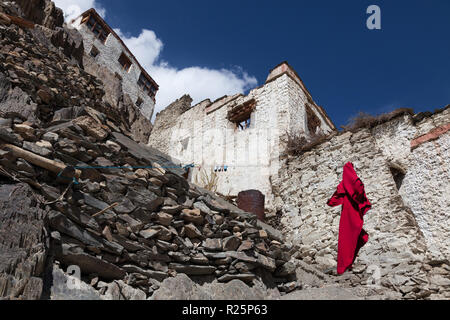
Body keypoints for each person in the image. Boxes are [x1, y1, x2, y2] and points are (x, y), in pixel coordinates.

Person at [327, 162, 372, 275]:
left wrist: (331, 201)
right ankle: (345, 266)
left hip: (349, 214)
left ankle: (346, 264)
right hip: (352, 213)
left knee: (350, 238)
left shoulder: (344, 184)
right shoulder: (353, 180)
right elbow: (358, 189)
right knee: (351, 238)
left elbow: (336, 197)